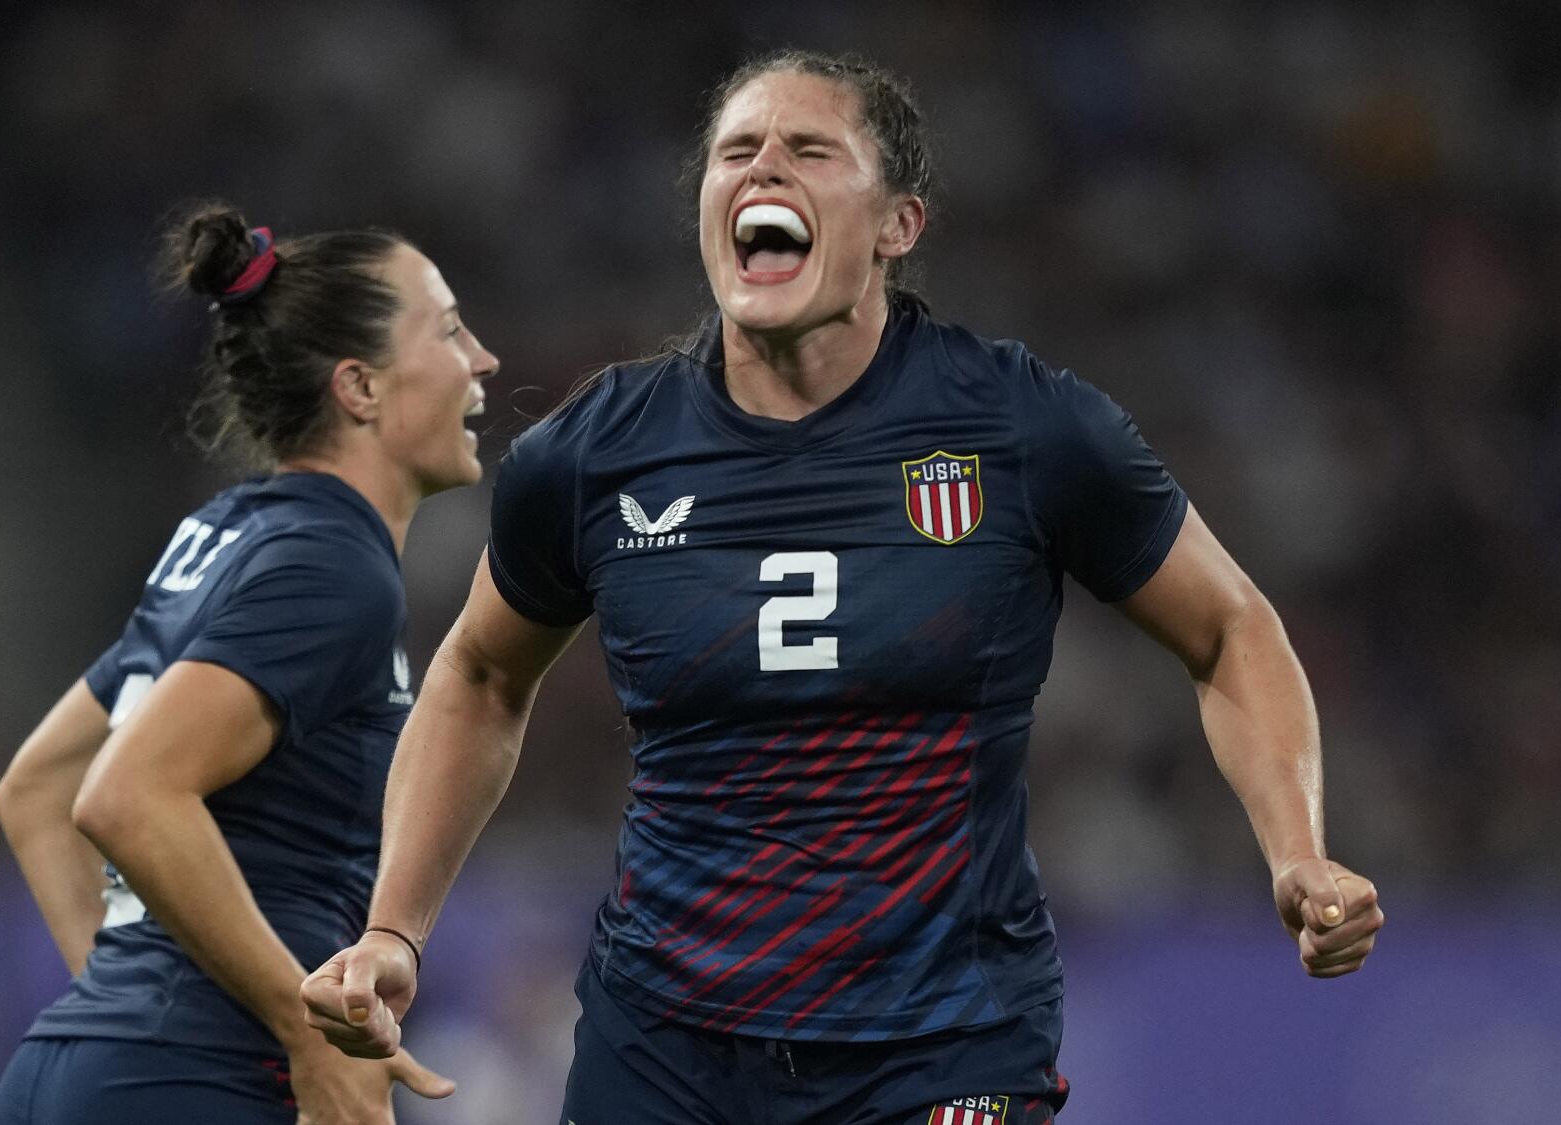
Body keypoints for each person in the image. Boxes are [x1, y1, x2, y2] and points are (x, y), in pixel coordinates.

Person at [301, 49, 1385, 1125]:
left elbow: (1228, 631)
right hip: (667, 1049)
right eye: (736, 153)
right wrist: (395, 929)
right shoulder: (595, 454)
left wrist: (1296, 853)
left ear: (896, 226)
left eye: (807, 150)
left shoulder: (1018, 426)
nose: (761, 170)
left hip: (941, 1047)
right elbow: (481, 676)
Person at [0, 201, 497, 1125]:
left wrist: (125, 1006)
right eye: (452, 330)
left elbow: (37, 786)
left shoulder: (229, 533)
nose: (482, 360)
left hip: (86, 1067)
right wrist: (300, 1035)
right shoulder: (332, 565)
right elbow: (123, 793)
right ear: (361, 388)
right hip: (193, 1083)